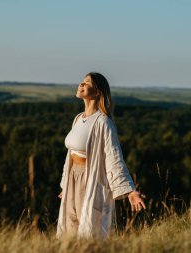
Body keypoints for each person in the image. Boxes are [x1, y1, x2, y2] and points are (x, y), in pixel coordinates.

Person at [56, 72, 146, 239]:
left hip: (90, 178)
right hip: (73, 177)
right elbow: (71, 154)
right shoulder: (78, 119)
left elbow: (114, 156)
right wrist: (65, 184)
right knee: (70, 228)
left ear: (98, 92)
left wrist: (130, 191)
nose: (81, 85)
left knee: (87, 229)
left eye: (87, 83)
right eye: (81, 82)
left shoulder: (103, 122)